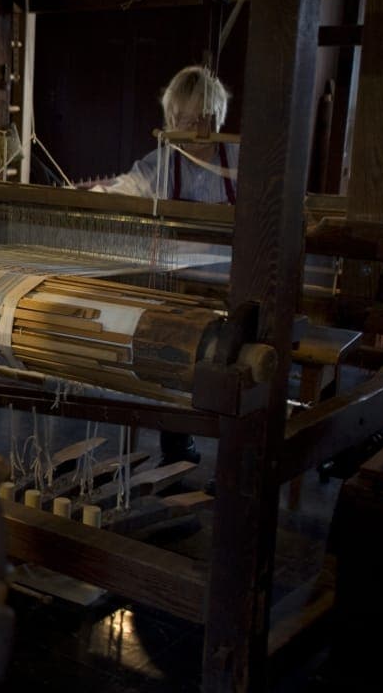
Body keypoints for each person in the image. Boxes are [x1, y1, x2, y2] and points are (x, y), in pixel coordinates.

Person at [96, 65, 238, 466]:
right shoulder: (159, 165)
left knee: (230, 363)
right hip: (177, 287)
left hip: (230, 289)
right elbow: (127, 190)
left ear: (215, 117)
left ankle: (233, 460)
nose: (189, 129)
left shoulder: (241, 161)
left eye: (198, 119)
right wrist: (94, 197)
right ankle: (177, 444)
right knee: (171, 350)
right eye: (180, 120)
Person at [93, 65, 237, 204]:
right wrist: (95, 194)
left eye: (204, 119)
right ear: (172, 122)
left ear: (218, 118)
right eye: (187, 121)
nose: (197, 128)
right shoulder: (164, 163)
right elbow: (133, 184)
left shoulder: (238, 160)